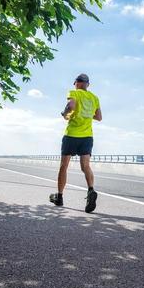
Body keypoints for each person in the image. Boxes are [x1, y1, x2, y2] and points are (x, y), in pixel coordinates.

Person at [49, 73, 102, 213]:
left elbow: (71, 106)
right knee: (85, 166)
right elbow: (99, 117)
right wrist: (86, 113)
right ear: (87, 85)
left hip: (71, 135)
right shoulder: (94, 98)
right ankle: (91, 190)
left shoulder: (74, 92)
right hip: (87, 137)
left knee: (64, 166)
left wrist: (66, 114)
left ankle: (59, 197)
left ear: (76, 83)